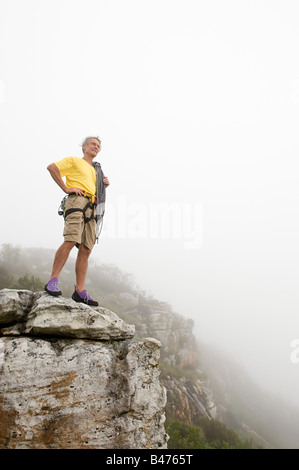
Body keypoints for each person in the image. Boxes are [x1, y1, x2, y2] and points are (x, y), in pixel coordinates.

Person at [44, 136, 110, 306]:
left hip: (93, 207)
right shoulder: (74, 161)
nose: (96, 147)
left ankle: (80, 290)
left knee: (86, 249)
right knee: (71, 239)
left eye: (98, 146)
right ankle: (53, 280)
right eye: (93, 144)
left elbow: (95, 188)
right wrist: (66, 188)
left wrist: (104, 184)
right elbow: (52, 168)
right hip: (77, 201)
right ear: (84, 146)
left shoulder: (97, 170)